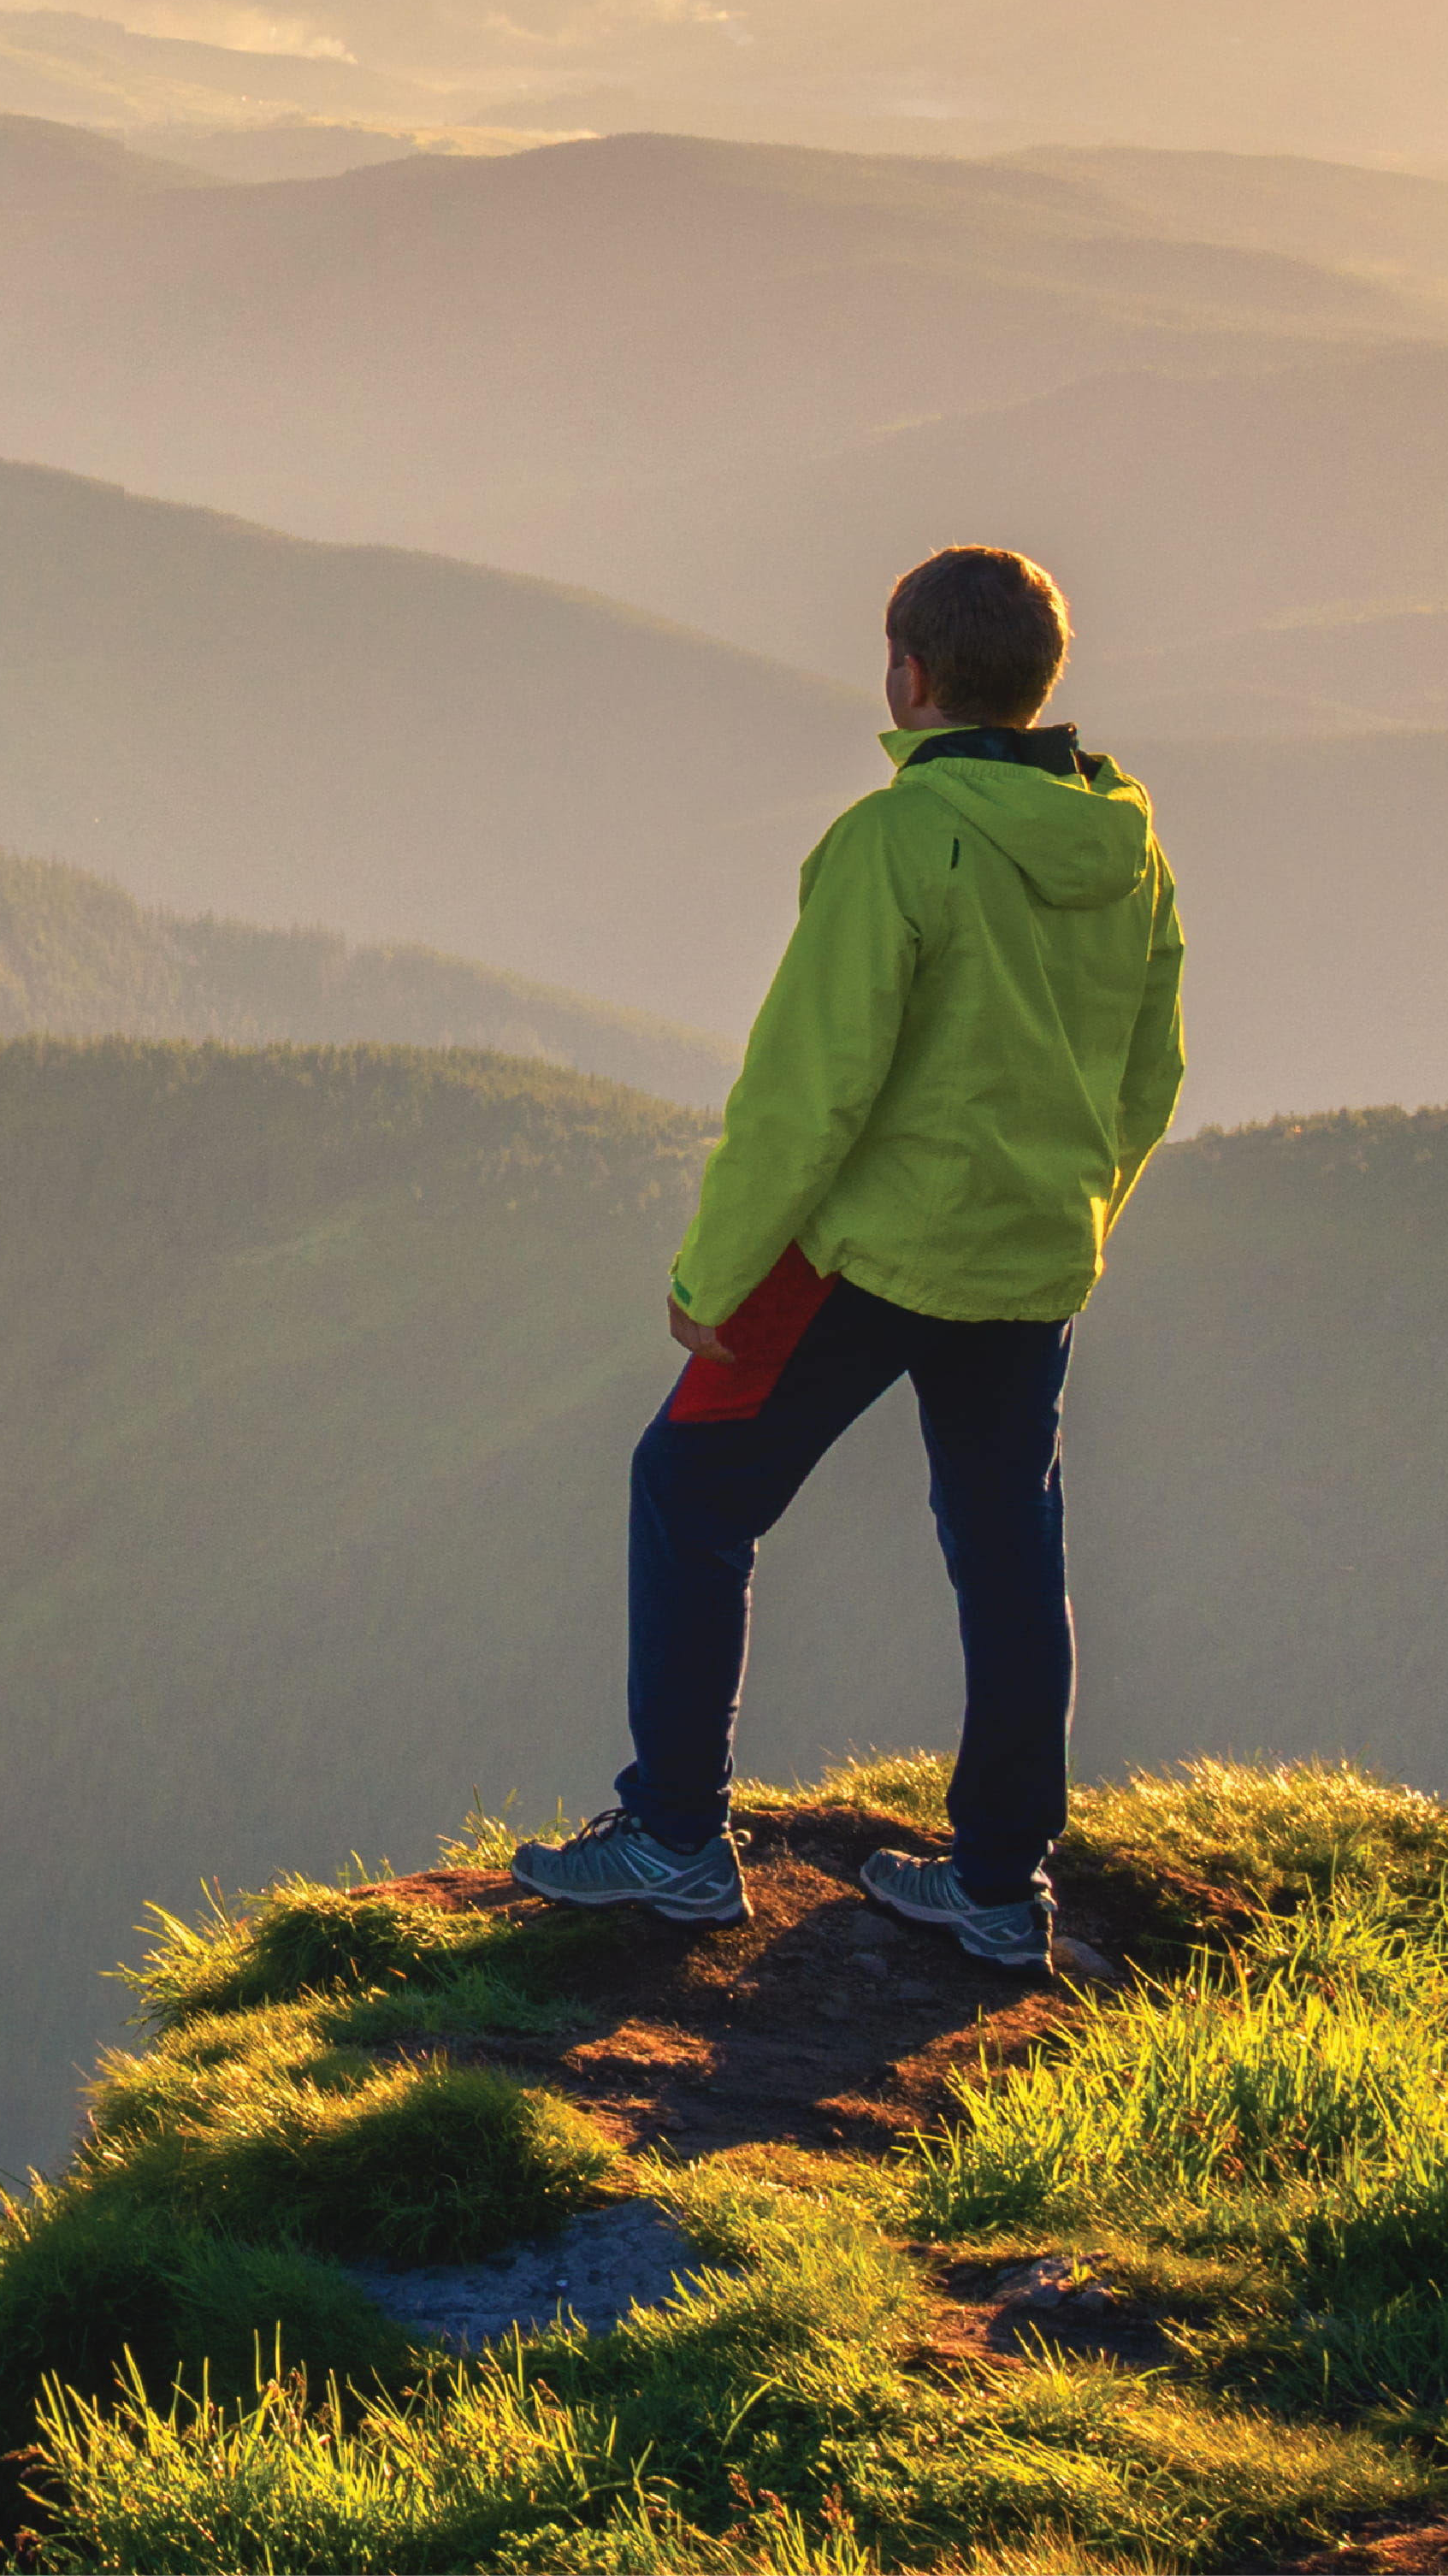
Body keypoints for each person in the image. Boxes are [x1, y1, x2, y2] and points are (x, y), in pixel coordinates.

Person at [507, 544, 1188, 1970]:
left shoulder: (899, 842)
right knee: (1009, 1552)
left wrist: (713, 1277)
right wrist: (1079, 1211)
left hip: (872, 1253)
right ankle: (1002, 1883)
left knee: (686, 1486)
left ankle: (678, 1840)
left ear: (909, 675)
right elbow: (1151, 1071)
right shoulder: (1128, 846)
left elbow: (808, 1088)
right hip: (1033, 1260)